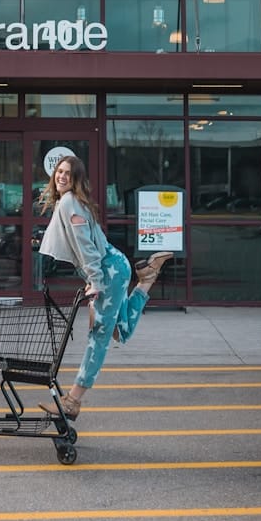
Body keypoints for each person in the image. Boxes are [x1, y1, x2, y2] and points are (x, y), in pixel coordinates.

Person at [37, 155, 172, 419]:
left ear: (76, 179)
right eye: (59, 171)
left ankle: (73, 400)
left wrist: (96, 282)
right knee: (120, 332)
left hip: (108, 272)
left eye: (68, 173)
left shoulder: (69, 202)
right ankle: (146, 278)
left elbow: (86, 246)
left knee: (98, 336)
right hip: (113, 268)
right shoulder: (70, 202)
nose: (62, 176)